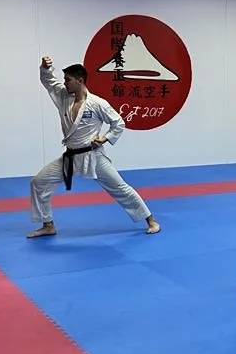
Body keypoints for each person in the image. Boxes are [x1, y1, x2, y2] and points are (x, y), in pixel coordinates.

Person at [27, 57, 159, 238]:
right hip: (70, 157)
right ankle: (48, 224)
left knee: (120, 188)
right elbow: (49, 82)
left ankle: (151, 220)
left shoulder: (97, 103)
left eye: (68, 80)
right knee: (38, 182)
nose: (64, 83)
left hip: (93, 157)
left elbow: (118, 123)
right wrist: (45, 69)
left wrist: (105, 138)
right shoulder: (63, 96)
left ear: (79, 81)